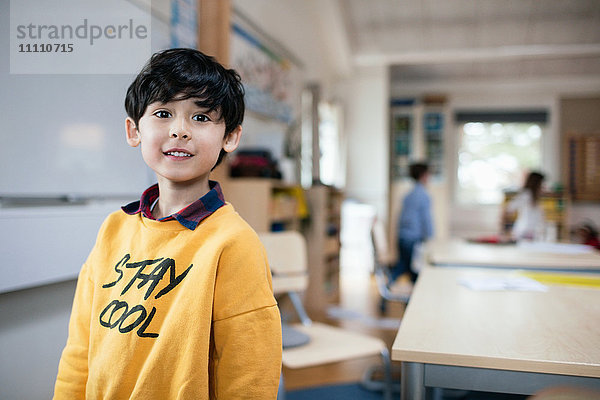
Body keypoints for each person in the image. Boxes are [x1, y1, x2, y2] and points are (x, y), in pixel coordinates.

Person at [53, 48, 282, 399]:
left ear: (230, 137)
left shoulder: (234, 243)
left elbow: (249, 374)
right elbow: (79, 349)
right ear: (134, 131)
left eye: (201, 118)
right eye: (163, 113)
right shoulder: (114, 229)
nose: (180, 130)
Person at [393, 162, 433, 284]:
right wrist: (431, 239)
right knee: (415, 271)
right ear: (423, 175)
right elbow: (426, 220)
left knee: (403, 267)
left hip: (402, 238)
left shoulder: (408, 195)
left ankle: (388, 291)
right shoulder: (423, 195)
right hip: (413, 240)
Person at [505, 171, 545, 240]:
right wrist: (506, 230)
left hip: (533, 234)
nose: (543, 186)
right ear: (536, 183)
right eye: (542, 183)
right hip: (523, 233)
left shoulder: (536, 198)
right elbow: (509, 209)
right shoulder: (525, 195)